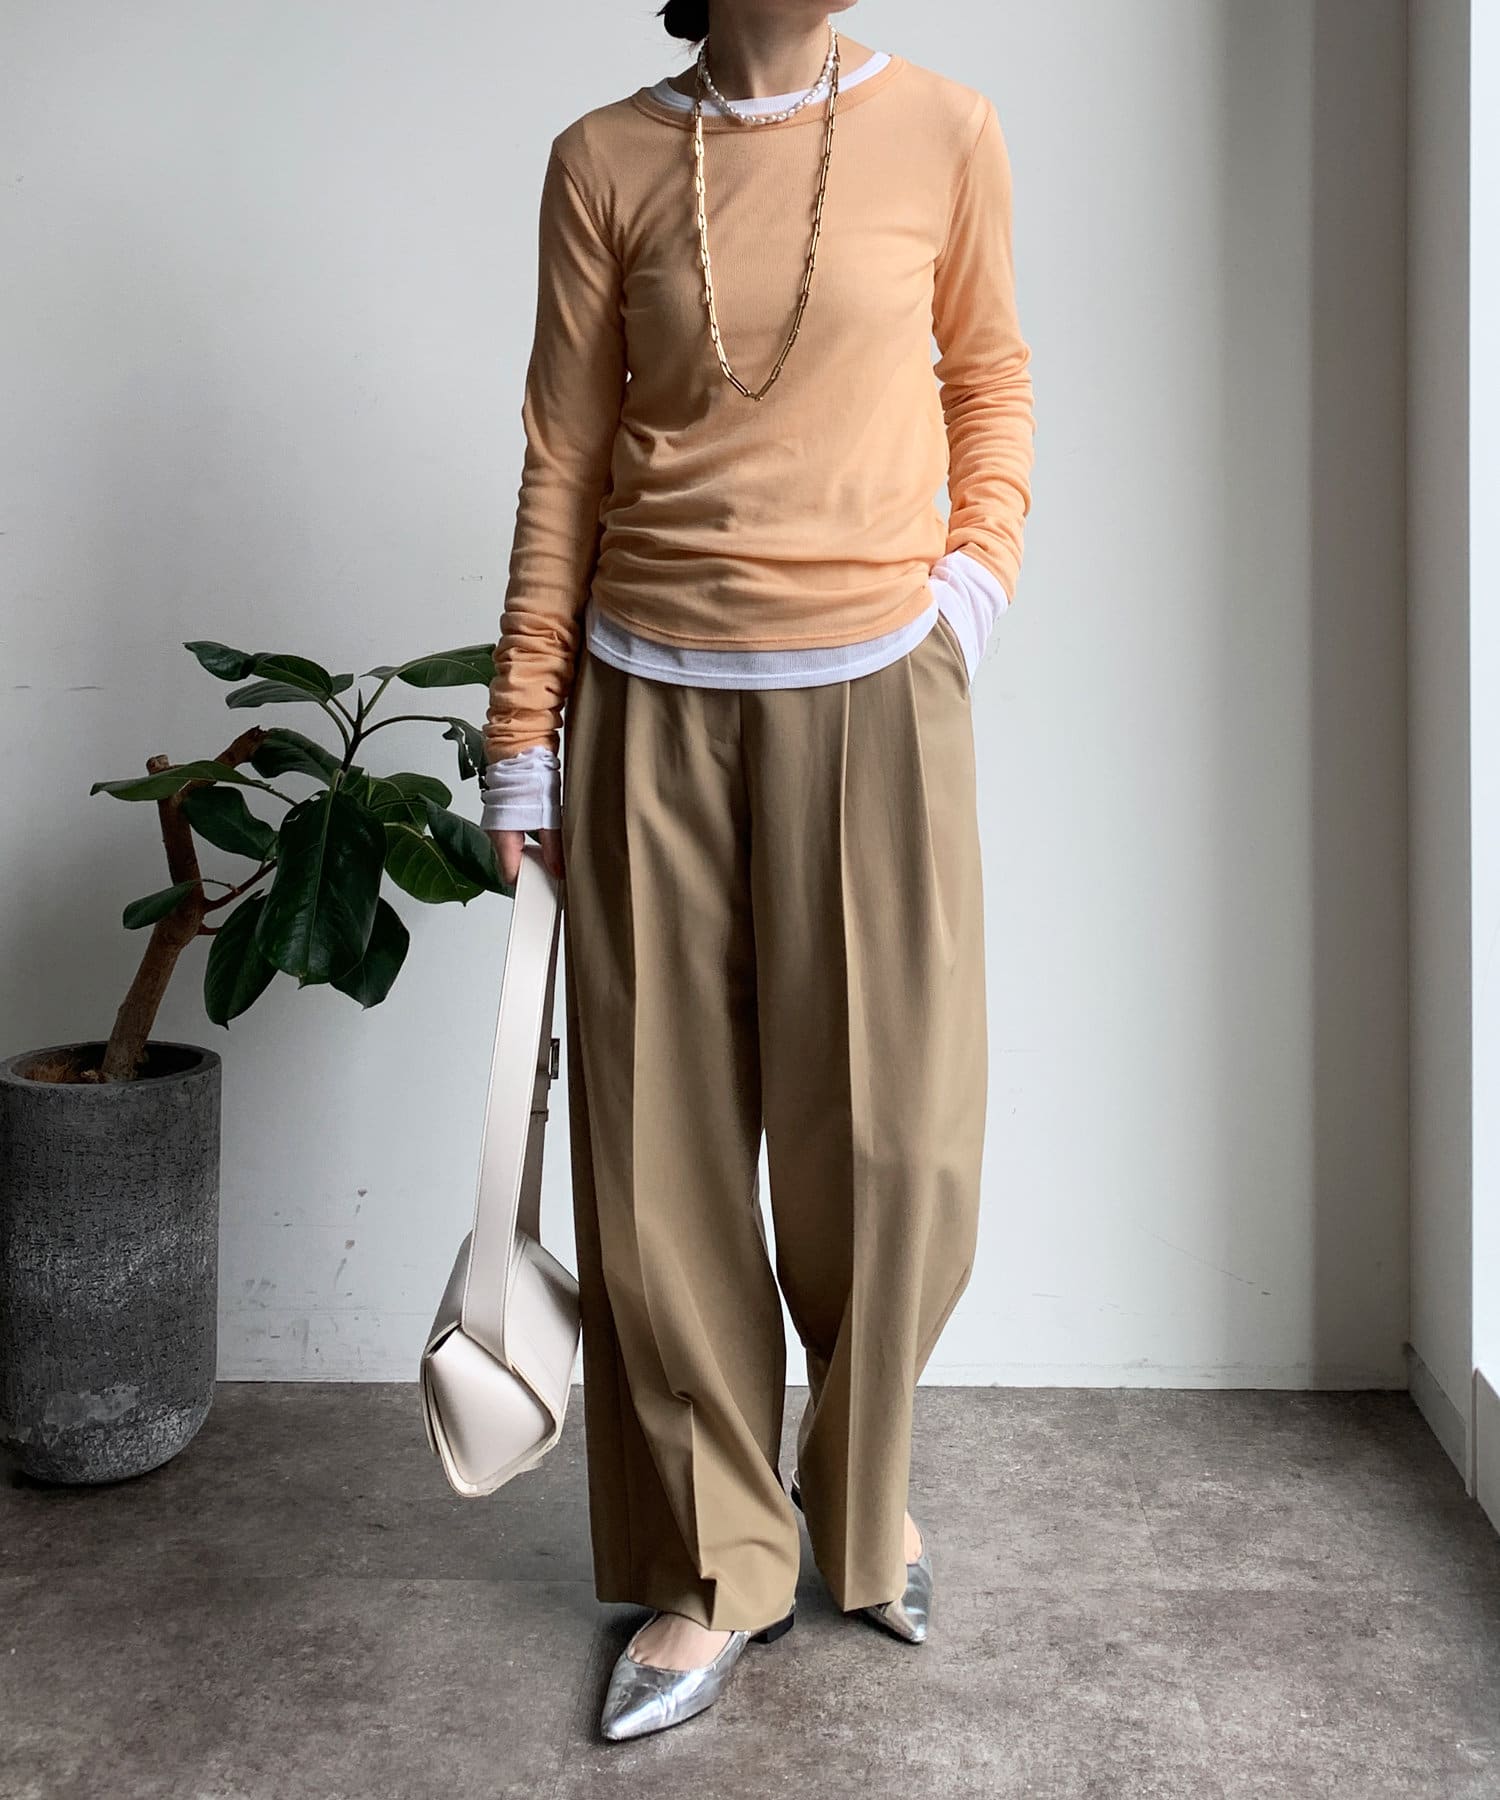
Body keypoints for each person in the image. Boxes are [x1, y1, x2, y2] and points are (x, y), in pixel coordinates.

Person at [482, 0, 1035, 1744]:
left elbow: (991, 378)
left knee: (898, 1149)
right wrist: (520, 727)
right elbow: (565, 452)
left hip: (877, 687)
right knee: (659, 1169)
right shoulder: (603, 160)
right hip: (645, 698)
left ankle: (858, 1500)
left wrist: (970, 589)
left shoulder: (948, 128)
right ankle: (716, 1563)